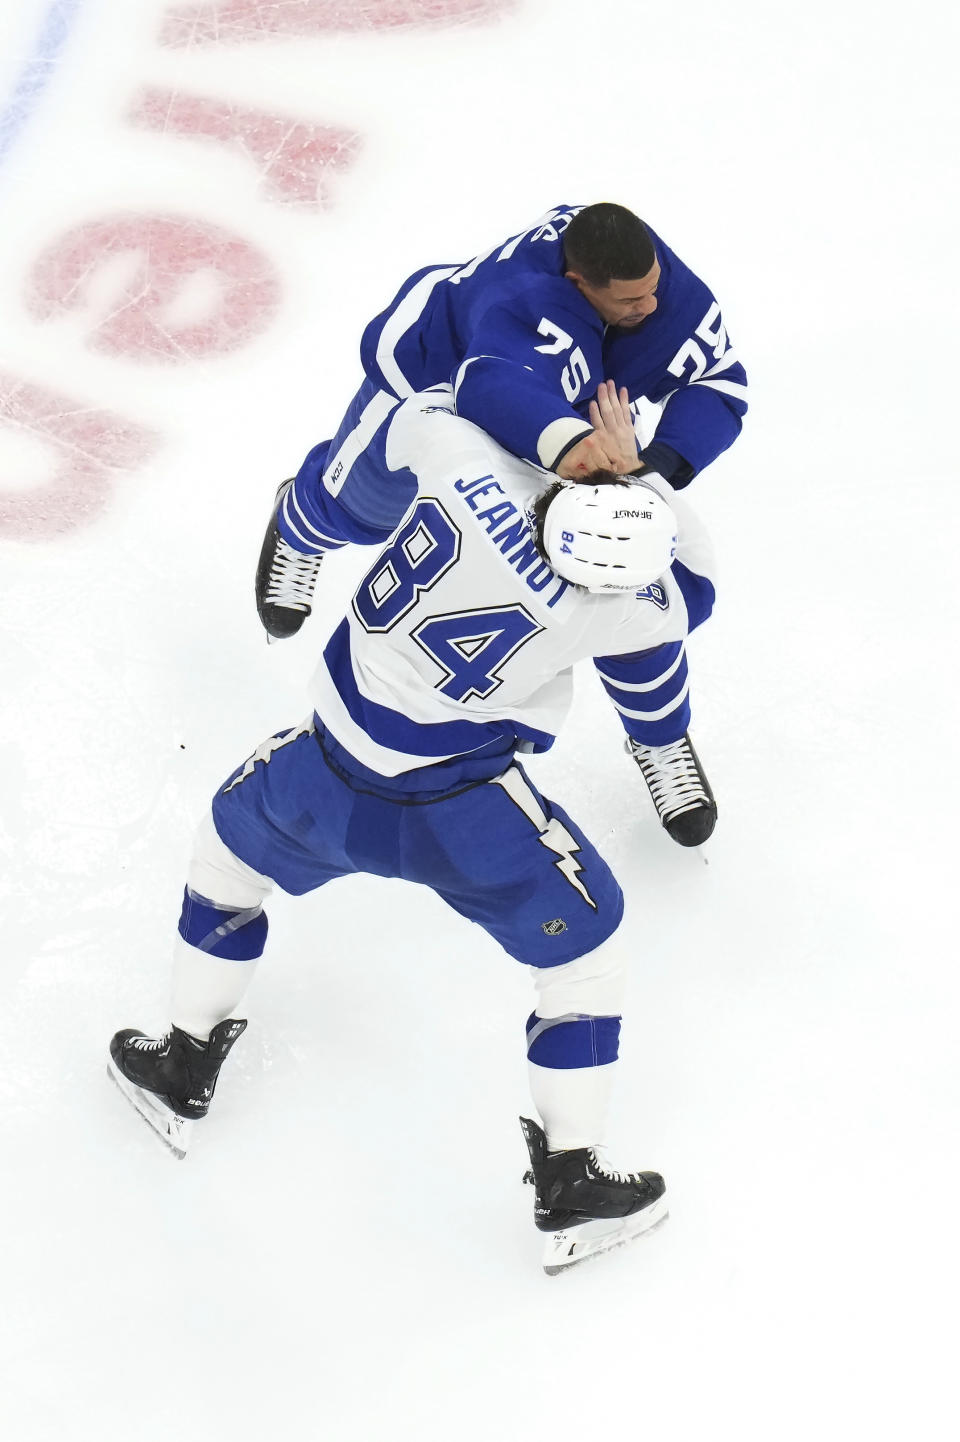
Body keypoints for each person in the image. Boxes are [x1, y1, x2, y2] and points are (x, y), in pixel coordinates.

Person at [109, 382, 717, 1273]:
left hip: (327, 772)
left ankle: (182, 1059)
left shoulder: (470, 473)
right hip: (466, 814)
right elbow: (697, 585)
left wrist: (568, 452)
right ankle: (572, 1182)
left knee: (226, 865)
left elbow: (428, 407)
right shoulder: (613, 607)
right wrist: (642, 478)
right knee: (583, 963)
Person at [256, 201, 743, 836]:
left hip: (557, 436)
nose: (649, 309)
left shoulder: (655, 284)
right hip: (432, 391)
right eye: (631, 302)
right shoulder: (530, 297)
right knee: (357, 510)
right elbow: (488, 383)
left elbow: (721, 384)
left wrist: (646, 470)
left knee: (626, 593)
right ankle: (298, 526)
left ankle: (661, 739)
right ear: (580, 283)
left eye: (652, 291)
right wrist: (581, 450)